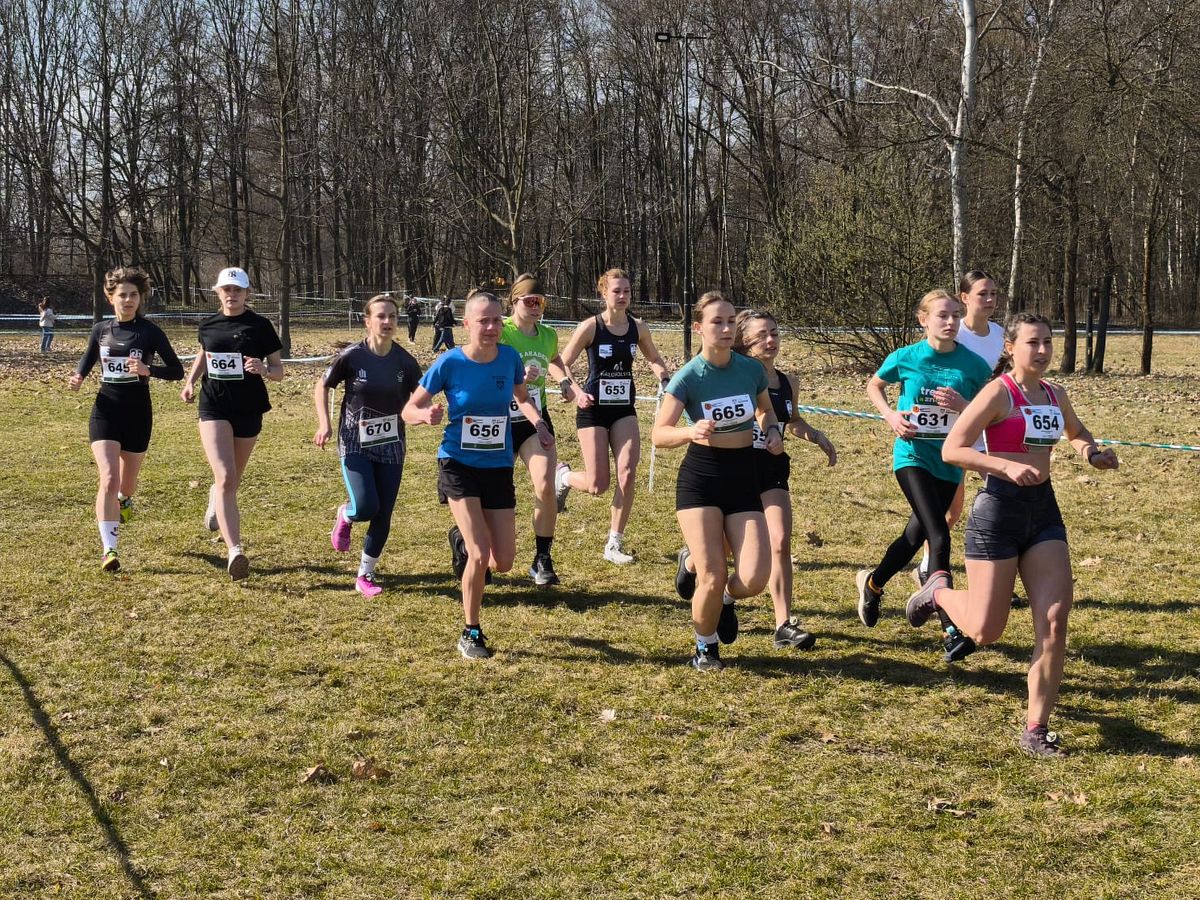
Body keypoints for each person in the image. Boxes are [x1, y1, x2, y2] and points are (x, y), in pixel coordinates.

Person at [905, 312, 1119, 756]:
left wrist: (1092, 453)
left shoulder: (1055, 395)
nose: (1041, 351)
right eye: (1032, 343)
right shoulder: (997, 393)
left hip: (1043, 514)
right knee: (986, 631)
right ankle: (937, 591)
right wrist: (1004, 465)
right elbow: (953, 449)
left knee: (1054, 622)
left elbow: (1077, 431)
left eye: (1047, 342)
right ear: (1011, 348)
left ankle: (1036, 728)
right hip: (997, 512)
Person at [403, 289, 553, 659]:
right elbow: (408, 408)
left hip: (497, 465)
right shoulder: (450, 363)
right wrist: (424, 415)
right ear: (467, 324)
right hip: (458, 464)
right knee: (480, 553)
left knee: (503, 561)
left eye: (495, 320)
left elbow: (522, 397)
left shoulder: (509, 357)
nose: (490, 327)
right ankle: (471, 631)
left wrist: (538, 424)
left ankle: (461, 538)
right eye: (482, 321)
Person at [653, 291, 784, 671]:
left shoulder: (750, 370)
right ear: (699, 328)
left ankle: (721, 595)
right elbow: (659, 434)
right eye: (717, 322)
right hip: (702, 478)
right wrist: (689, 431)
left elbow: (765, 410)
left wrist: (771, 431)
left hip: (743, 475)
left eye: (730, 322)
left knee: (754, 578)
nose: (726, 329)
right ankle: (705, 647)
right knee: (713, 573)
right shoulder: (689, 376)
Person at [854, 289, 993, 628]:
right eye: (942, 315)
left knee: (913, 537)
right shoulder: (906, 357)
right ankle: (950, 627)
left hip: (950, 461)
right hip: (912, 455)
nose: (950, 322)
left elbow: (990, 410)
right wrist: (891, 415)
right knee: (939, 535)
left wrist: (963, 406)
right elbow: (874, 385)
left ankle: (872, 584)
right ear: (923, 320)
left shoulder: (974, 365)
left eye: (955, 316)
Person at [733, 310, 837, 650]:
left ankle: (783, 624)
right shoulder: (735, 376)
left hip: (772, 467)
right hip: (736, 467)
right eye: (762, 334)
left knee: (780, 541)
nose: (771, 340)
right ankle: (703, 574)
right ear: (745, 340)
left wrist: (815, 435)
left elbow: (792, 421)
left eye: (775, 333)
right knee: (727, 547)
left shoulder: (788, 381)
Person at [68, 267, 183, 571]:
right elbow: (88, 358)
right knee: (108, 478)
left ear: (140, 298)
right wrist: (79, 376)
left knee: (125, 485)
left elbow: (177, 371)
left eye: (134, 294)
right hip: (106, 409)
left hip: (138, 413)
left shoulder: (150, 332)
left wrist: (149, 370)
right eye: (122, 295)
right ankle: (109, 550)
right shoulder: (100, 330)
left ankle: (124, 500)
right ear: (111, 298)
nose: (128, 300)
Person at [555, 268, 671, 564]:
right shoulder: (590, 327)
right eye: (616, 291)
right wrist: (576, 391)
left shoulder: (638, 327)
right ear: (603, 293)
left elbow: (654, 357)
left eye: (627, 291)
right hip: (592, 409)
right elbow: (562, 362)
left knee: (628, 473)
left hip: (623, 410)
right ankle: (564, 477)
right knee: (598, 485)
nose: (622, 296)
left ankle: (614, 543)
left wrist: (664, 377)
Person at [314, 294, 422, 597]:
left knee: (383, 514)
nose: (387, 322)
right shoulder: (352, 356)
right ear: (367, 321)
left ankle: (365, 574)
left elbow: (419, 398)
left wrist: (425, 413)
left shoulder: (405, 361)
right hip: (354, 441)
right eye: (381, 316)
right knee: (365, 506)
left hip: (392, 443)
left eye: (392, 316)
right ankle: (346, 514)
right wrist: (324, 423)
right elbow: (322, 387)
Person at [180, 267, 284, 580]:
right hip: (213, 406)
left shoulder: (260, 326)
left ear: (247, 293)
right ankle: (235, 550)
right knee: (226, 475)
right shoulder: (208, 325)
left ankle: (216, 496)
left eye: (238, 290)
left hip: (249, 408)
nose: (232, 295)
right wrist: (190, 381)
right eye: (226, 289)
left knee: (231, 481)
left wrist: (263, 369)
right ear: (218, 292)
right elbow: (203, 354)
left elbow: (279, 372)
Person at [915, 270, 1006, 586]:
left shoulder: (1000, 335)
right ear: (964, 298)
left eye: (994, 293)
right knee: (950, 513)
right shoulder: (952, 331)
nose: (990, 300)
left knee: (1004, 500)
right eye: (983, 294)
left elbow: (1000, 383)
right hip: (952, 433)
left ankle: (999, 574)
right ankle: (926, 568)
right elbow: (927, 374)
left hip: (987, 429)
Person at [500, 273, 575, 585]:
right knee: (496, 492)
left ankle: (542, 558)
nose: (536, 307)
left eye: (540, 302)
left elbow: (554, 358)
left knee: (545, 485)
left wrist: (565, 380)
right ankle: (470, 543)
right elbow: (485, 364)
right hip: (499, 421)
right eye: (529, 301)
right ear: (514, 301)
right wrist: (517, 377)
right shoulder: (500, 330)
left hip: (534, 420)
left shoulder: (547, 335)